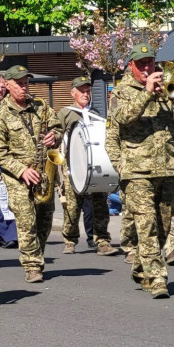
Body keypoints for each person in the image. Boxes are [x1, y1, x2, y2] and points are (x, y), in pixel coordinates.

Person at [113, 43, 174, 299]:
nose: (147, 68)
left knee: (163, 225)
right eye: (141, 64)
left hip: (168, 167)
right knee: (146, 224)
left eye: (150, 62)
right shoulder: (121, 91)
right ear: (131, 66)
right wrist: (147, 93)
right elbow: (122, 118)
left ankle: (141, 267)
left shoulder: (168, 87)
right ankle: (158, 277)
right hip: (137, 170)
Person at [0, 65, 64, 283]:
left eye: (26, 83)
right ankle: (32, 266)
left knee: (45, 219)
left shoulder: (41, 106)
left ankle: (37, 254)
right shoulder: (2, 115)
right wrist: (21, 170)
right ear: (7, 85)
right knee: (26, 220)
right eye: (19, 84)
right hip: (18, 177)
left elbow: (58, 128)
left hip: (43, 172)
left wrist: (55, 136)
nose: (24, 87)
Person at [57, 77, 118, 256]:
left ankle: (102, 240)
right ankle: (70, 240)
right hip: (73, 166)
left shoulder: (96, 113)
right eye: (81, 91)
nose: (85, 94)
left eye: (87, 91)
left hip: (95, 167)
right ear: (73, 93)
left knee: (100, 205)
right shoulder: (65, 113)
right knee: (72, 207)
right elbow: (56, 133)